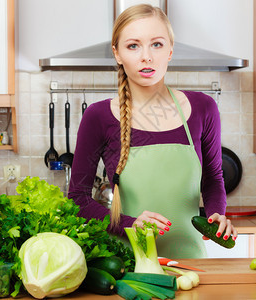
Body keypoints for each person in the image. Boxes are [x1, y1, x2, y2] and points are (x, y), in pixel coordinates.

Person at [68, 4, 237, 258]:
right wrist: (129, 224)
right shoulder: (98, 116)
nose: (146, 56)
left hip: (191, 262)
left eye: (156, 44)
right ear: (117, 53)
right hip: (127, 268)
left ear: (170, 50)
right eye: (133, 45)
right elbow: (78, 200)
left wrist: (216, 214)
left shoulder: (204, 108)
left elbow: (213, 178)